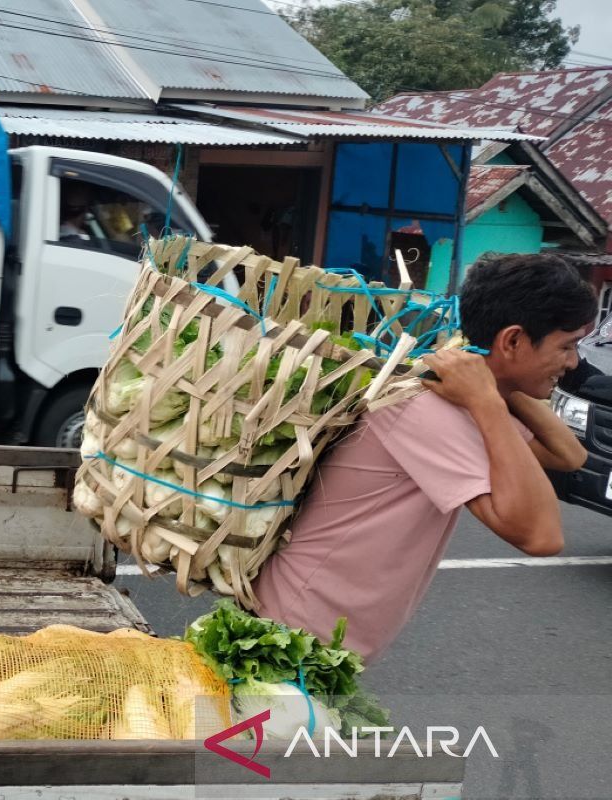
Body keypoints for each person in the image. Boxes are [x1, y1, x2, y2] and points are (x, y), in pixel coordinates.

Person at [251, 253, 595, 661]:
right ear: (514, 340)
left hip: (322, 640)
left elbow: (569, 454)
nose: (573, 363)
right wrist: (486, 397)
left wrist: (494, 388)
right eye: (567, 345)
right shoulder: (424, 408)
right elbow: (542, 537)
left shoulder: (471, 403)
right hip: (290, 639)